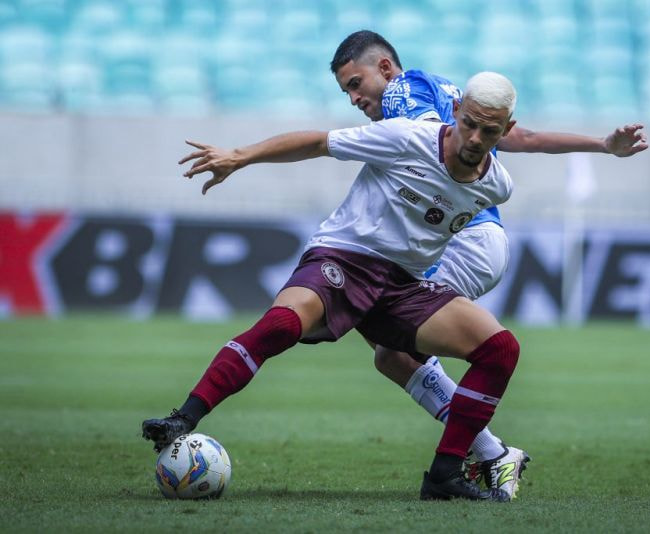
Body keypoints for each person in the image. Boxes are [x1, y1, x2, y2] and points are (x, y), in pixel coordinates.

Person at [144, 72, 524, 502]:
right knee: (282, 325)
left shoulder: (498, 186)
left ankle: (445, 474)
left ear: (506, 130)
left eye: (489, 130)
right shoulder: (406, 137)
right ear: (456, 111)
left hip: (404, 287)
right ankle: (184, 418)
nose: (475, 137)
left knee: (501, 350)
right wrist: (240, 156)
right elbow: (318, 143)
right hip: (343, 258)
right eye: (469, 122)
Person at [327, 30, 649, 494]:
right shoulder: (450, 94)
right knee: (390, 353)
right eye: (346, 92)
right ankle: (491, 454)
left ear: (384, 69)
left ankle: (493, 455)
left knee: (390, 340)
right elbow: (529, 137)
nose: (354, 98)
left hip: (464, 238)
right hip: (475, 240)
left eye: (356, 84)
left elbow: (428, 158)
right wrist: (602, 144)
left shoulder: (404, 95)